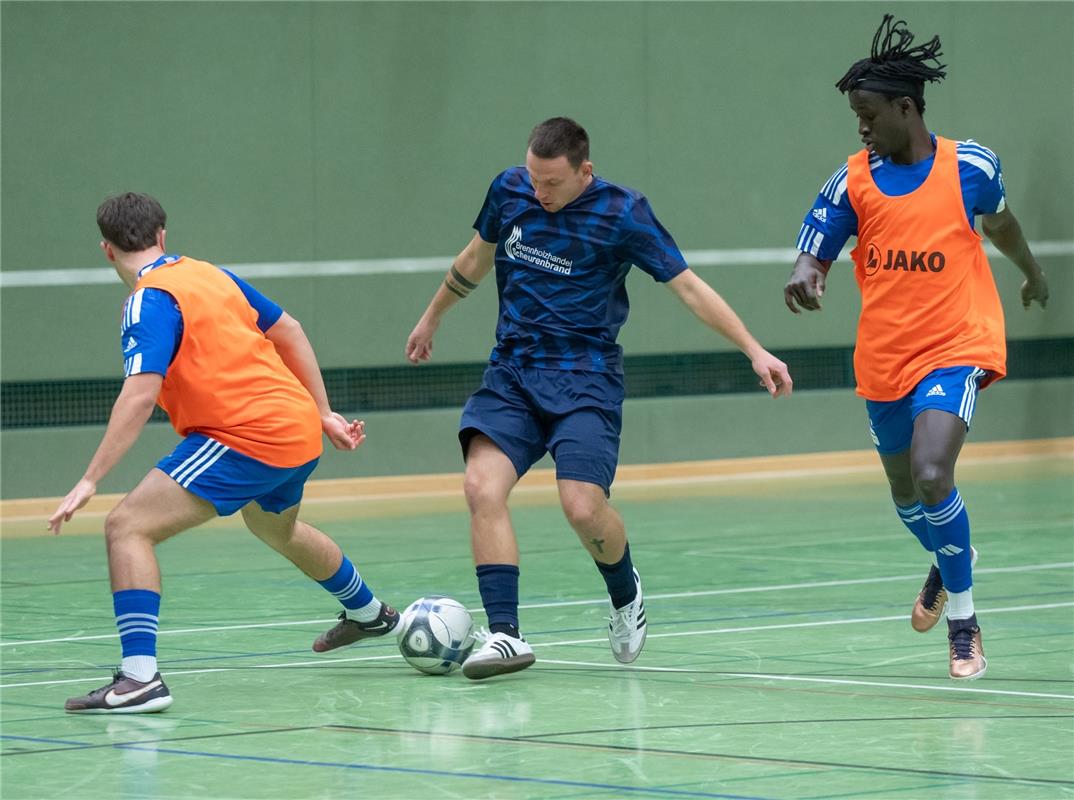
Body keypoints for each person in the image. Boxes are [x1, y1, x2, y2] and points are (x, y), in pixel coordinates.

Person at [407, 117, 793, 681]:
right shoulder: (509, 190)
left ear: (584, 170)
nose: (539, 194)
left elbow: (687, 285)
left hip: (585, 378)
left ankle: (625, 590)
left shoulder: (623, 213)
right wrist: (431, 317)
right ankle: (508, 635)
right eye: (534, 180)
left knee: (582, 506)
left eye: (552, 184)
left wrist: (754, 350)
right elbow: (473, 258)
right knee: (479, 486)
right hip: (512, 373)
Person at [49, 192, 399, 713]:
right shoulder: (210, 274)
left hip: (245, 437)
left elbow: (140, 394)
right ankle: (370, 613)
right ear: (163, 236)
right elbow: (290, 329)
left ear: (106, 250)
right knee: (274, 528)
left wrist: (90, 479)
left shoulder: (148, 301)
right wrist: (323, 411)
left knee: (126, 527)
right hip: (295, 428)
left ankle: (140, 678)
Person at [783, 16, 1048, 680]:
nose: (861, 127)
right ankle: (950, 555)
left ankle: (963, 624)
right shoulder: (853, 181)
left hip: (957, 343)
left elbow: (1004, 223)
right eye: (855, 116)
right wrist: (805, 275)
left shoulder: (971, 167)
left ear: (907, 108)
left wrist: (1032, 272)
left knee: (934, 472)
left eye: (869, 114)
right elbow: (815, 251)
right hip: (884, 357)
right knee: (909, 496)